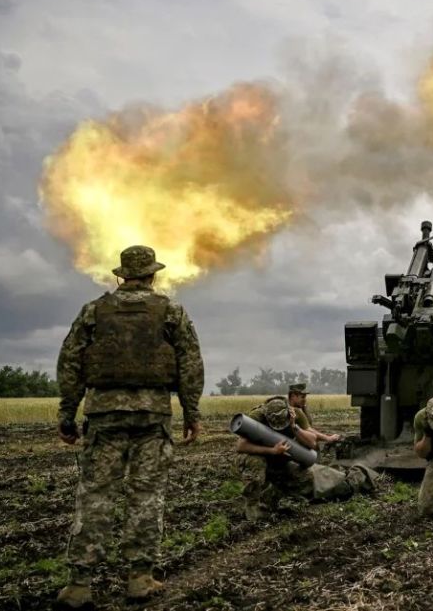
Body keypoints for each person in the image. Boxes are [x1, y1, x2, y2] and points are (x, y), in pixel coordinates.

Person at [54, 245, 204, 608]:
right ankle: (139, 579)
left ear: (120, 276)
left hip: (104, 416)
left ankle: (78, 585)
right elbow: (190, 364)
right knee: (145, 497)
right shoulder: (171, 311)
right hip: (151, 417)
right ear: (153, 275)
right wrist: (191, 412)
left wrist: (67, 414)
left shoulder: (93, 311)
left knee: (95, 495)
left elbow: (70, 362)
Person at [235, 397, 377, 521]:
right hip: (260, 456)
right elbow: (241, 446)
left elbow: (312, 442)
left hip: (281, 459)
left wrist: (293, 426)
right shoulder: (257, 416)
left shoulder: (294, 415)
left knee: (307, 479)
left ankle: (274, 493)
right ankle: (252, 507)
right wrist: (272, 450)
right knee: (255, 461)